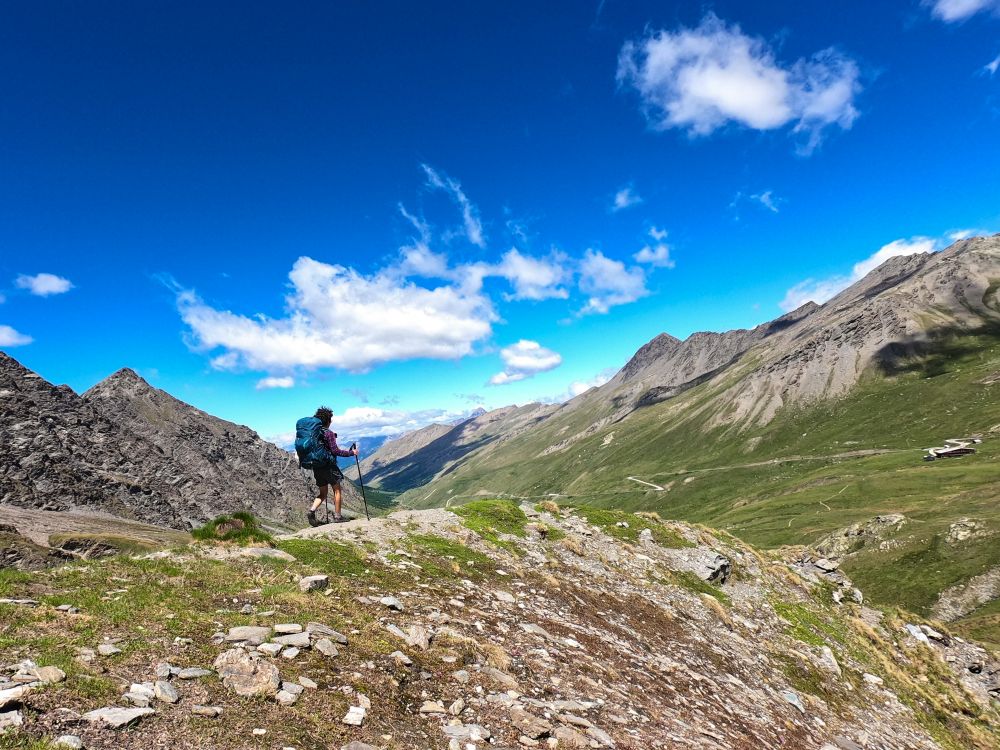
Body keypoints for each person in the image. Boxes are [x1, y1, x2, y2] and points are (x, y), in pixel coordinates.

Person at [307, 406, 358, 527]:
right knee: (337, 490)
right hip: (329, 466)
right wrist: (352, 453)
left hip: (317, 467)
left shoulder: (313, 434)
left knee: (323, 493)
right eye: (330, 419)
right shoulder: (328, 433)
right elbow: (336, 451)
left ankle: (311, 511)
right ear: (328, 420)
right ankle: (338, 517)